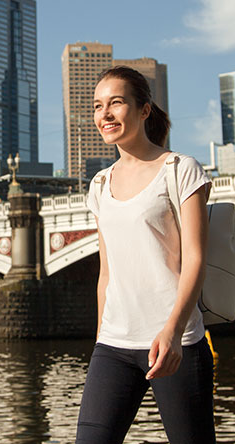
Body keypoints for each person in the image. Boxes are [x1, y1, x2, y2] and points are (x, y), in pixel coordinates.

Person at [75, 66, 216, 444]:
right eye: (98, 106)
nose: (105, 114)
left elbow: (196, 259)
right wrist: (101, 337)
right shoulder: (99, 184)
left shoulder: (180, 170)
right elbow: (107, 273)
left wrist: (172, 332)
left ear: (144, 110)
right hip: (113, 346)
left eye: (116, 103)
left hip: (175, 341)